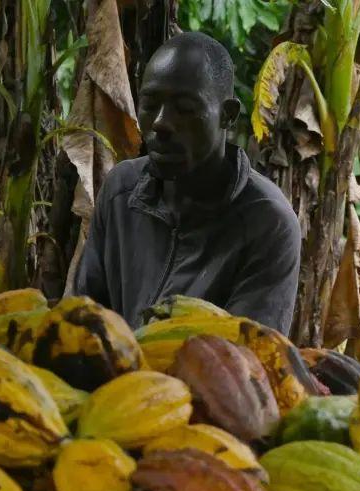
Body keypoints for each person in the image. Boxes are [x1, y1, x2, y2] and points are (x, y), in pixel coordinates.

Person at [75, 32, 301, 333]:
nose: (160, 122)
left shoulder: (267, 223)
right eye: (150, 104)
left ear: (227, 115)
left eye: (185, 108)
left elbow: (245, 362)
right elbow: (82, 320)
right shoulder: (121, 191)